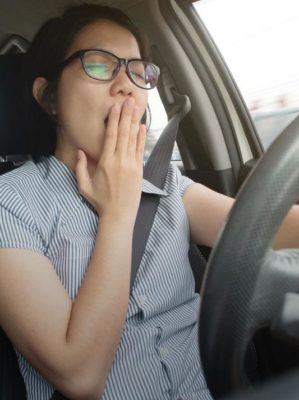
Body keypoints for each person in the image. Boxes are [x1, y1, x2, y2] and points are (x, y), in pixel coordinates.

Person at [0, 3, 298, 400]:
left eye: (138, 71)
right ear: (49, 97)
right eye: (101, 65)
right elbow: (80, 377)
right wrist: (119, 213)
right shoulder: (11, 203)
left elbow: (265, 226)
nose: (127, 84)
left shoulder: (165, 181)